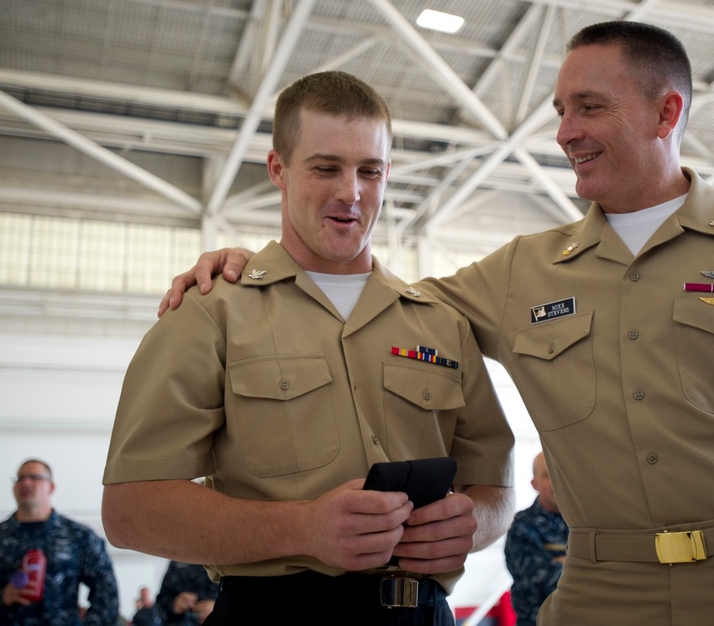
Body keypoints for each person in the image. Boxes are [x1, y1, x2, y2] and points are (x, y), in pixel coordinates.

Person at [161, 21, 714, 625]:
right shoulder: (521, 271)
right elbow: (378, 301)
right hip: (602, 592)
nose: (565, 131)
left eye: (590, 106)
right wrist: (254, 265)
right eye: (560, 111)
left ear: (667, 110)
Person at [102, 71, 516, 625]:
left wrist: (472, 526)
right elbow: (130, 510)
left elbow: (494, 487)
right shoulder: (211, 311)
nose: (351, 192)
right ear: (279, 169)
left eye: (370, 170)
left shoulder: (440, 322)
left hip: (424, 613)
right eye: (326, 168)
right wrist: (302, 528)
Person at [0, 458, 120, 626]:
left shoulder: (80, 538)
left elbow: (107, 595)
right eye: (20, 478)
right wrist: (1, 598)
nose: (26, 482)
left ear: (51, 487)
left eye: (35, 477)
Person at [504, 452, 567, 626]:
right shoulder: (522, 524)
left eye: (561, 474)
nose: (557, 481)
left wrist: (563, 562)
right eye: (548, 475)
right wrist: (578, 566)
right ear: (535, 484)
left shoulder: (585, 524)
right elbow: (540, 579)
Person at [154, 561, 218, 625]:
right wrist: (174, 604)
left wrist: (219, 608)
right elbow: (160, 604)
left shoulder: (223, 558)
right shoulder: (178, 559)